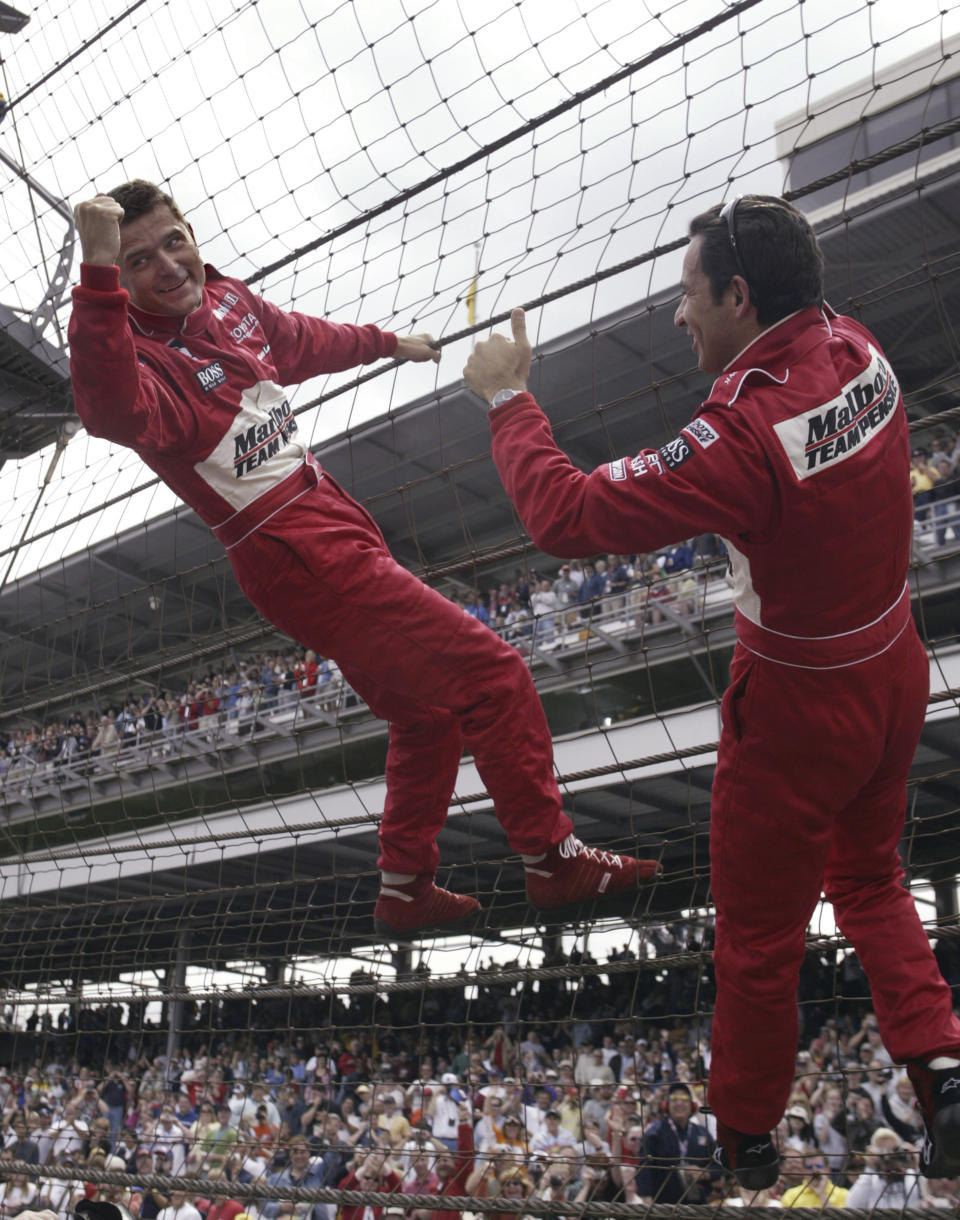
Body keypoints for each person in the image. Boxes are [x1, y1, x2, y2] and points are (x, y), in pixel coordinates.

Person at [463, 192, 960, 1186]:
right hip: (898, 665)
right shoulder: (859, 344)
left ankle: (742, 1136)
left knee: (762, 936)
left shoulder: (743, 431)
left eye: (689, 294)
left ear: (739, 294)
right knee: (866, 877)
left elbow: (564, 513)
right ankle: (943, 1066)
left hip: (798, 705)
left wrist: (508, 398)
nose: (677, 316)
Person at [68, 179, 659, 936]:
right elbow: (108, 408)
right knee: (494, 674)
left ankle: (405, 887)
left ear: (192, 233)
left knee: (425, 717)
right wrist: (95, 271)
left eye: (174, 241)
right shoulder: (142, 362)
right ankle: (553, 860)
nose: (168, 265)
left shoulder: (228, 301)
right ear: (121, 279)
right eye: (140, 260)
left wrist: (387, 343)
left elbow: (302, 339)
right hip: (291, 549)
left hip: (328, 520)